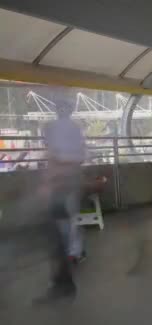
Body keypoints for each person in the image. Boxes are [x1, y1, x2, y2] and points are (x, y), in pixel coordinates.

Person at [37, 95, 87, 302]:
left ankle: (65, 272)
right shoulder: (75, 129)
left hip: (60, 183)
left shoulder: (50, 127)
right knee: (69, 220)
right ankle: (73, 254)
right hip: (69, 181)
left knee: (61, 226)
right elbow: (78, 156)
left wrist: (49, 180)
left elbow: (52, 155)